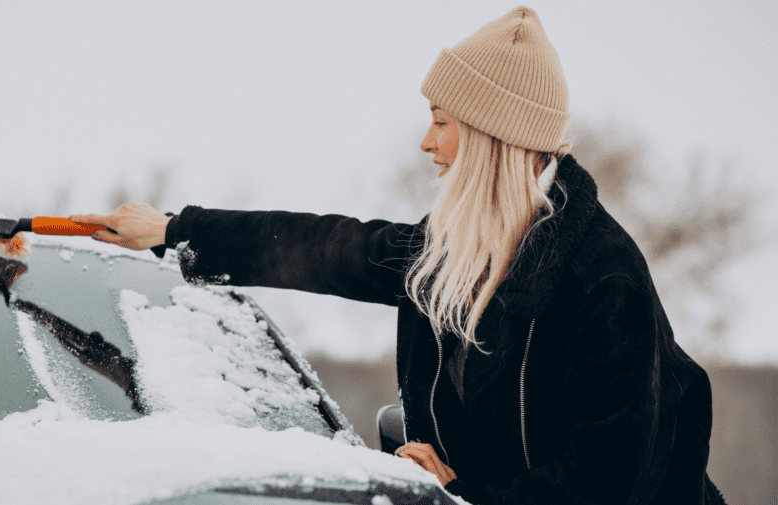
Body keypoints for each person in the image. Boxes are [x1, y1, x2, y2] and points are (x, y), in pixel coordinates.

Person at [69, 6, 726, 504]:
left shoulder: (603, 281)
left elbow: (605, 484)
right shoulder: (456, 251)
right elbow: (331, 249)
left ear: (491, 138)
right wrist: (175, 230)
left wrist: (458, 491)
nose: (426, 142)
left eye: (442, 121)